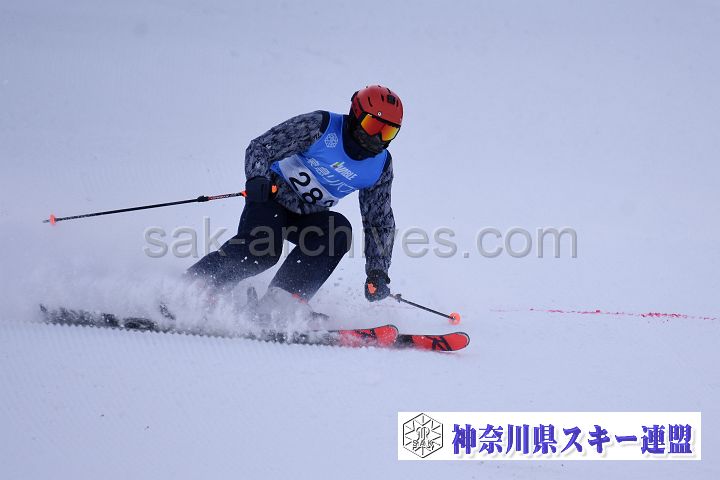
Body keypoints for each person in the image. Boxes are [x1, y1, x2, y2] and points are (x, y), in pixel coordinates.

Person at [186, 85, 402, 319]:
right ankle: (198, 286)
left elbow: (379, 221)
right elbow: (262, 147)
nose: (377, 138)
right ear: (355, 115)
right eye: (373, 126)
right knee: (264, 249)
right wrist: (257, 177)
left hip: (308, 217)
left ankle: (281, 302)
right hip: (271, 199)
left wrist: (377, 271)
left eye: (388, 132)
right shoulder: (320, 126)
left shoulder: (379, 168)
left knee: (338, 231)